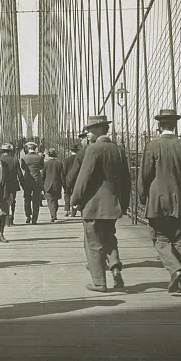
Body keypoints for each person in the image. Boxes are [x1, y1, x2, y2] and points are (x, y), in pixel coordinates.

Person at [139, 108, 181, 295]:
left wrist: (142, 196)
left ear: (159, 125)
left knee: (160, 239)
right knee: (180, 240)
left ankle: (175, 270)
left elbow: (145, 175)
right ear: (175, 125)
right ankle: (180, 284)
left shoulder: (152, 146)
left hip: (158, 202)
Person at [70, 115, 132, 292]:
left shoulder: (93, 149)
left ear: (99, 129)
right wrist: (123, 204)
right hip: (112, 205)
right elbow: (126, 181)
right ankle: (115, 267)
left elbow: (84, 178)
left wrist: (75, 200)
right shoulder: (118, 150)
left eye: (90, 130)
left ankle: (99, 283)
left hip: (93, 205)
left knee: (94, 243)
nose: (87, 133)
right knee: (109, 237)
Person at [64, 132, 90, 218]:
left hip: (81, 182)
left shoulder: (81, 154)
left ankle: (72, 210)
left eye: (82, 140)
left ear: (86, 140)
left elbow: (73, 173)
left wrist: (67, 183)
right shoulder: (114, 149)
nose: (81, 142)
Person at [20, 141, 44, 224]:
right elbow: (41, 167)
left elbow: (23, 167)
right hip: (37, 180)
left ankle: (28, 215)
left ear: (28, 148)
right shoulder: (40, 157)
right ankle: (34, 218)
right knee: (36, 200)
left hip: (27, 180)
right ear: (35, 148)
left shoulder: (24, 157)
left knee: (27, 199)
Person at [0, 142, 21, 226]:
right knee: (12, 201)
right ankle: (11, 218)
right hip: (12, 184)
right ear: (10, 151)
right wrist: (23, 184)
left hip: (1, 184)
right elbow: (19, 173)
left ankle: (5, 219)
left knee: (3, 201)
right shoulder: (14, 160)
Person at [40, 148, 64, 223]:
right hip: (57, 184)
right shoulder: (59, 163)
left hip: (47, 184)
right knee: (55, 200)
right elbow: (62, 175)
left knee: (50, 201)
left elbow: (43, 175)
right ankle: (54, 213)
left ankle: (53, 214)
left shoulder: (45, 164)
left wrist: (41, 185)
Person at [62, 146, 80, 217]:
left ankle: (67, 209)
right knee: (75, 195)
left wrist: (63, 180)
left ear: (70, 151)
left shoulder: (67, 160)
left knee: (67, 194)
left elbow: (64, 171)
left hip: (68, 180)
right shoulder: (78, 159)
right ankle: (73, 212)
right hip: (77, 179)